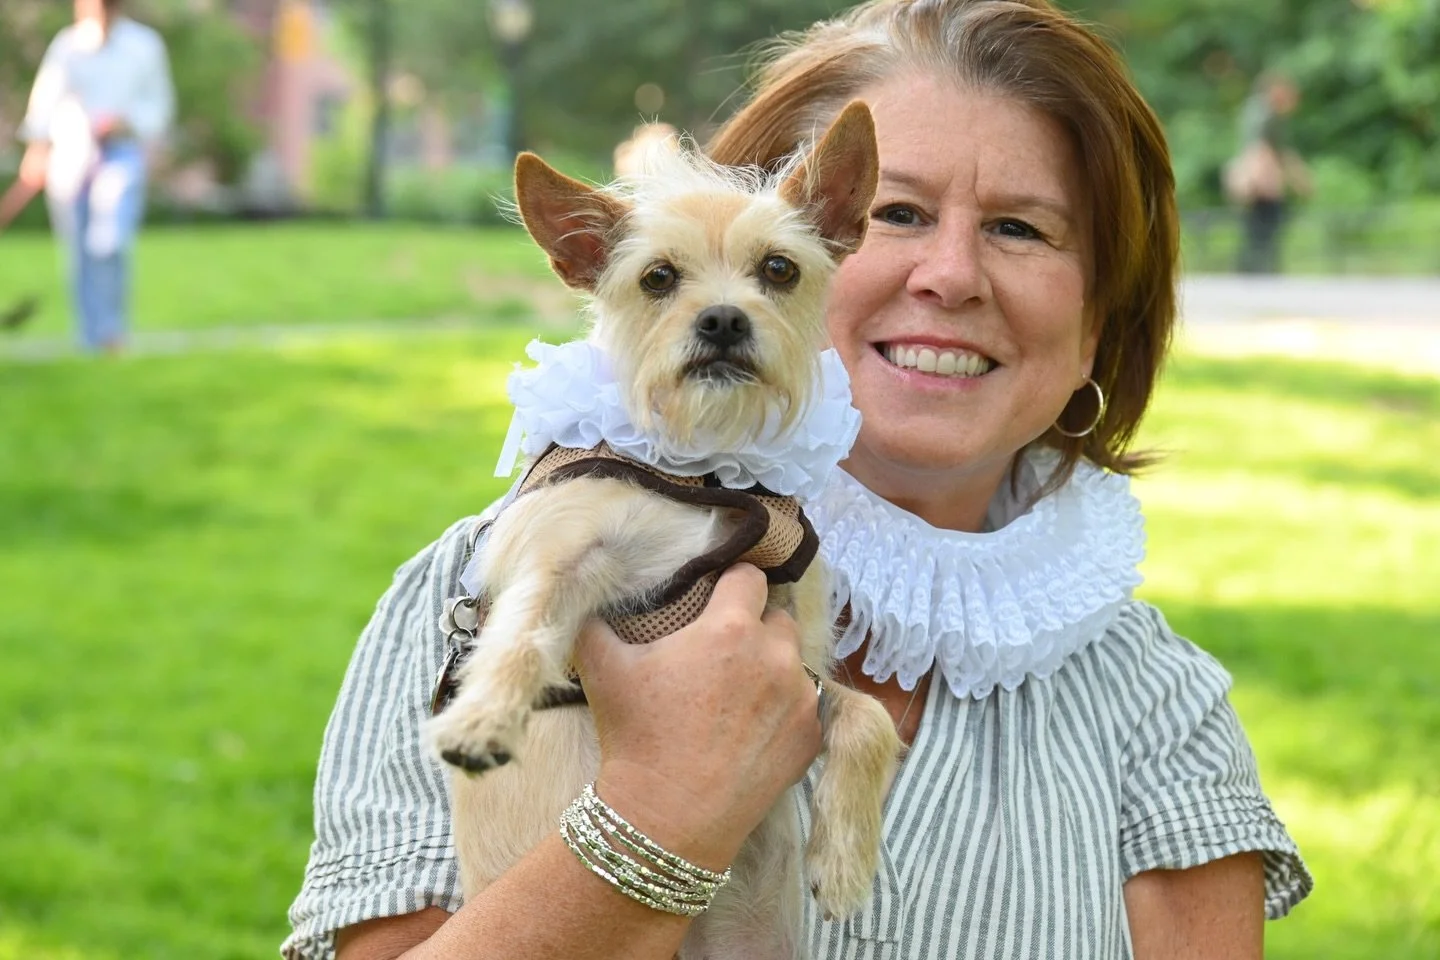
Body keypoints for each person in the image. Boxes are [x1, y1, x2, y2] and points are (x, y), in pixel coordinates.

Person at [283, 1, 1313, 958]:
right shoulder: (477, 589)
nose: (950, 275)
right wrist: (662, 812)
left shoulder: (1155, 708)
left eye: (1020, 228)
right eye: (899, 213)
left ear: (1096, 324)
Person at [16, 0, 174, 353]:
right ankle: (89, 338)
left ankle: (111, 332)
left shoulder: (144, 46)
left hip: (121, 155)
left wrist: (127, 123)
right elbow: (45, 102)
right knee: (79, 251)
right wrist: (37, 149)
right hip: (71, 157)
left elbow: (159, 107)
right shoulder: (67, 45)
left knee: (110, 241)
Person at [1225, 71, 1311, 275]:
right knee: (1262, 223)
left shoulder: (1265, 113)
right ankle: (1257, 268)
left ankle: (1258, 267)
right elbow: (1262, 149)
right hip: (1259, 174)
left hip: (1259, 172)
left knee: (1260, 225)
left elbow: (1278, 150)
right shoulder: (1264, 112)